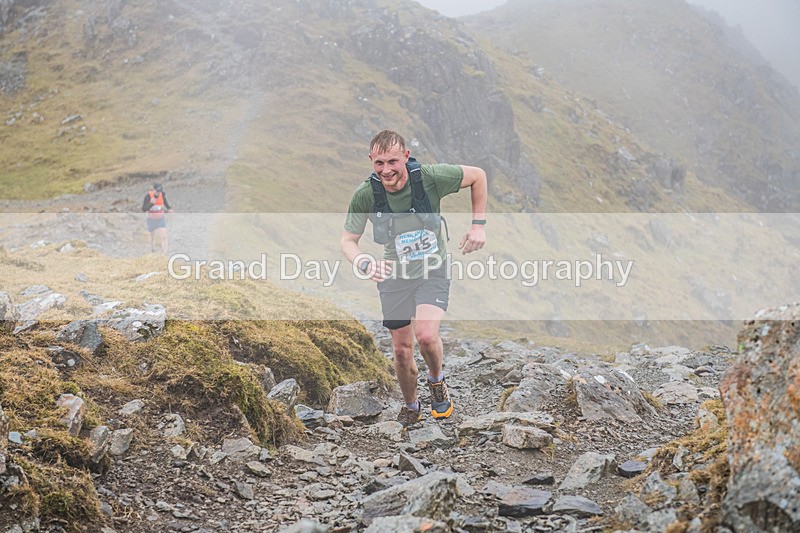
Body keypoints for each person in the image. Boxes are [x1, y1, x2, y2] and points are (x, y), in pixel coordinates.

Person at [341, 130, 487, 427]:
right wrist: (364, 262)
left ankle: (436, 380)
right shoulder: (366, 194)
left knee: (425, 335)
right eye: (379, 163)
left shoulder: (430, 178)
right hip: (394, 277)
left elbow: (478, 176)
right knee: (401, 349)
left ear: (406, 157)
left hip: (433, 269)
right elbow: (347, 240)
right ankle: (410, 405)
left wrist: (478, 226)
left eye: (393, 161)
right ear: (371, 161)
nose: (387, 170)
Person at [141, 182, 172, 253]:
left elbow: (165, 202)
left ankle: (165, 254)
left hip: (161, 218)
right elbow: (144, 209)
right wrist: (151, 203)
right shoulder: (148, 197)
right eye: (157, 191)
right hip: (151, 219)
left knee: (164, 236)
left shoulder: (162, 194)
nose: (158, 193)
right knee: (152, 237)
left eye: (159, 191)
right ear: (153, 190)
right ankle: (152, 250)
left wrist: (169, 208)